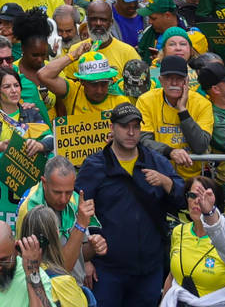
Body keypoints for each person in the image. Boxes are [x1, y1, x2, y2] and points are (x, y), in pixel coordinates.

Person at [72, 104, 184, 307]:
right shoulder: (94, 165)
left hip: (149, 269)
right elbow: (77, 211)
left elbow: (182, 200)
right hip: (107, 270)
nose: (131, 132)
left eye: (136, 126)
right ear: (112, 128)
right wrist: (85, 258)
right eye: (125, 126)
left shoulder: (156, 162)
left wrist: (166, 182)